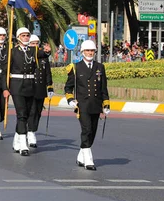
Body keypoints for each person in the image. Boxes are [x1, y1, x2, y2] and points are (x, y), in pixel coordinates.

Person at [4, 27, 51, 156]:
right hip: (17, 86)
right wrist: (5, 88)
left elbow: (43, 54)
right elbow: (5, 72)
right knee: (22, 114)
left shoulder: (33, 50)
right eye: (23, 35)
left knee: (27, 114)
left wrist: (48, 51)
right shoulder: (12, 52)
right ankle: (23, 144)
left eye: (27, 35)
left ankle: (16, 139)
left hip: (30, 86)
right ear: (18, 37)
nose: (26, 38)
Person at [65, 40, 110, 171]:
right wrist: (71, 99)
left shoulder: (100, 67)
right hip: (82, 105)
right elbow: (68, 87)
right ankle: (88, 160)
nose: (90, 53)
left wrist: (106, 104)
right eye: (87, 51)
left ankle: (81, 155)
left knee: (93, 132)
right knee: (86, 130)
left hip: (95, 105)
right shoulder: (75, 67)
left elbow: (103, 88)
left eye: (92, 51)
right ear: (82, 52)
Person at [27, 34, 54, 148]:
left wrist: (50, 86)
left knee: (38, 111)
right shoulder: (28, 56)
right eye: (33, 43)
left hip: (41, 89)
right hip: (30, 87)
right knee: (32, 111)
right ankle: (30, 132)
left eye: (37, 43)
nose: (35, 46)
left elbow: (47, 73)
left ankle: (33, 130)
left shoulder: (43, 58)